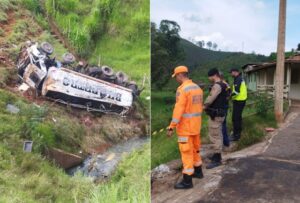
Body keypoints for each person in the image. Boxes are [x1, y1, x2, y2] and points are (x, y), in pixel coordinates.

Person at [167, 65, 204, 189]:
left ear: (179, 75)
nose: (176, 79)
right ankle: (198, 172)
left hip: (185, 128)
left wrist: (172, 126)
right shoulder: (197, 88)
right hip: (196, 126)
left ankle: (187, 181)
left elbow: (179, 109)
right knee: (195, 149)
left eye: (176, 76)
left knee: (186, 153)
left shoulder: (183, 89)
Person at [204, 68, 227, 169]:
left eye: (209, 77)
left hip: (216, 115)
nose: (209, 79)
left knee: (215, 135)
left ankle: (217, 159)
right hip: (221, 113)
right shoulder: (224, 84)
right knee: (219, 134)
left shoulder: (217, 86)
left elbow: (210, 98)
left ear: (214, 75)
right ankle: (217, 155)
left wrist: (204, 106)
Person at [229, 68, 247, 141]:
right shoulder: (239, 78)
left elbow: (236, 92)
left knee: (235, 118)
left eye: (231, 72)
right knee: (238, 118)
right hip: (241, 100)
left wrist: (229, 96)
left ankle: (236, 136)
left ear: (235, 72)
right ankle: (238, 132)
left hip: (239, 101)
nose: (230, 74)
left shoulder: (238, 79)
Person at [219, 72, 231, 147]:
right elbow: (230, 93)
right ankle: (226, 142)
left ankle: (225, 142)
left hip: (222, 106)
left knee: (222, 124)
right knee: (223, 123)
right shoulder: (226, 84)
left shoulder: (221, 84)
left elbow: (228, 94)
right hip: (225, 105)